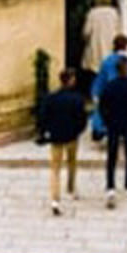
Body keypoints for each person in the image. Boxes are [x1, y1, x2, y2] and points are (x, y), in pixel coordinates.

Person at [99, 56, 127, 207]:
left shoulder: (110, 86)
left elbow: (102, 106)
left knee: (111, 156)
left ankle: (110, 186)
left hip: (113, 124)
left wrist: (107, 122)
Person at [42, 68, 88, 215]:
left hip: (56, 138)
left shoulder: (51, 98)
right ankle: (71, 188)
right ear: (70, 80)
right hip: (72, 137)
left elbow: (43, 117)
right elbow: (82, 119)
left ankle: (55, 199)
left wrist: (48, 130)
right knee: (72, 162)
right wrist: (78, 131)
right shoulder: (77, 99)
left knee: (55, 169)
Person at [89, 33, 127, 142]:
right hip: (125, 94)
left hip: (110, 93)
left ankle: (99, 129)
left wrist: (95, 93)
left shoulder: (107, 61)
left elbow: (101, 78)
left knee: (102, 110)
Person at [81, 0, 121, 96]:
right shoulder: (114, 12)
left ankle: (95, 96)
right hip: (110, 47)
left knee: (95, 74)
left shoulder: (93, 13)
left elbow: (86, 32)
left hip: (95, 47)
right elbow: (118, 30)